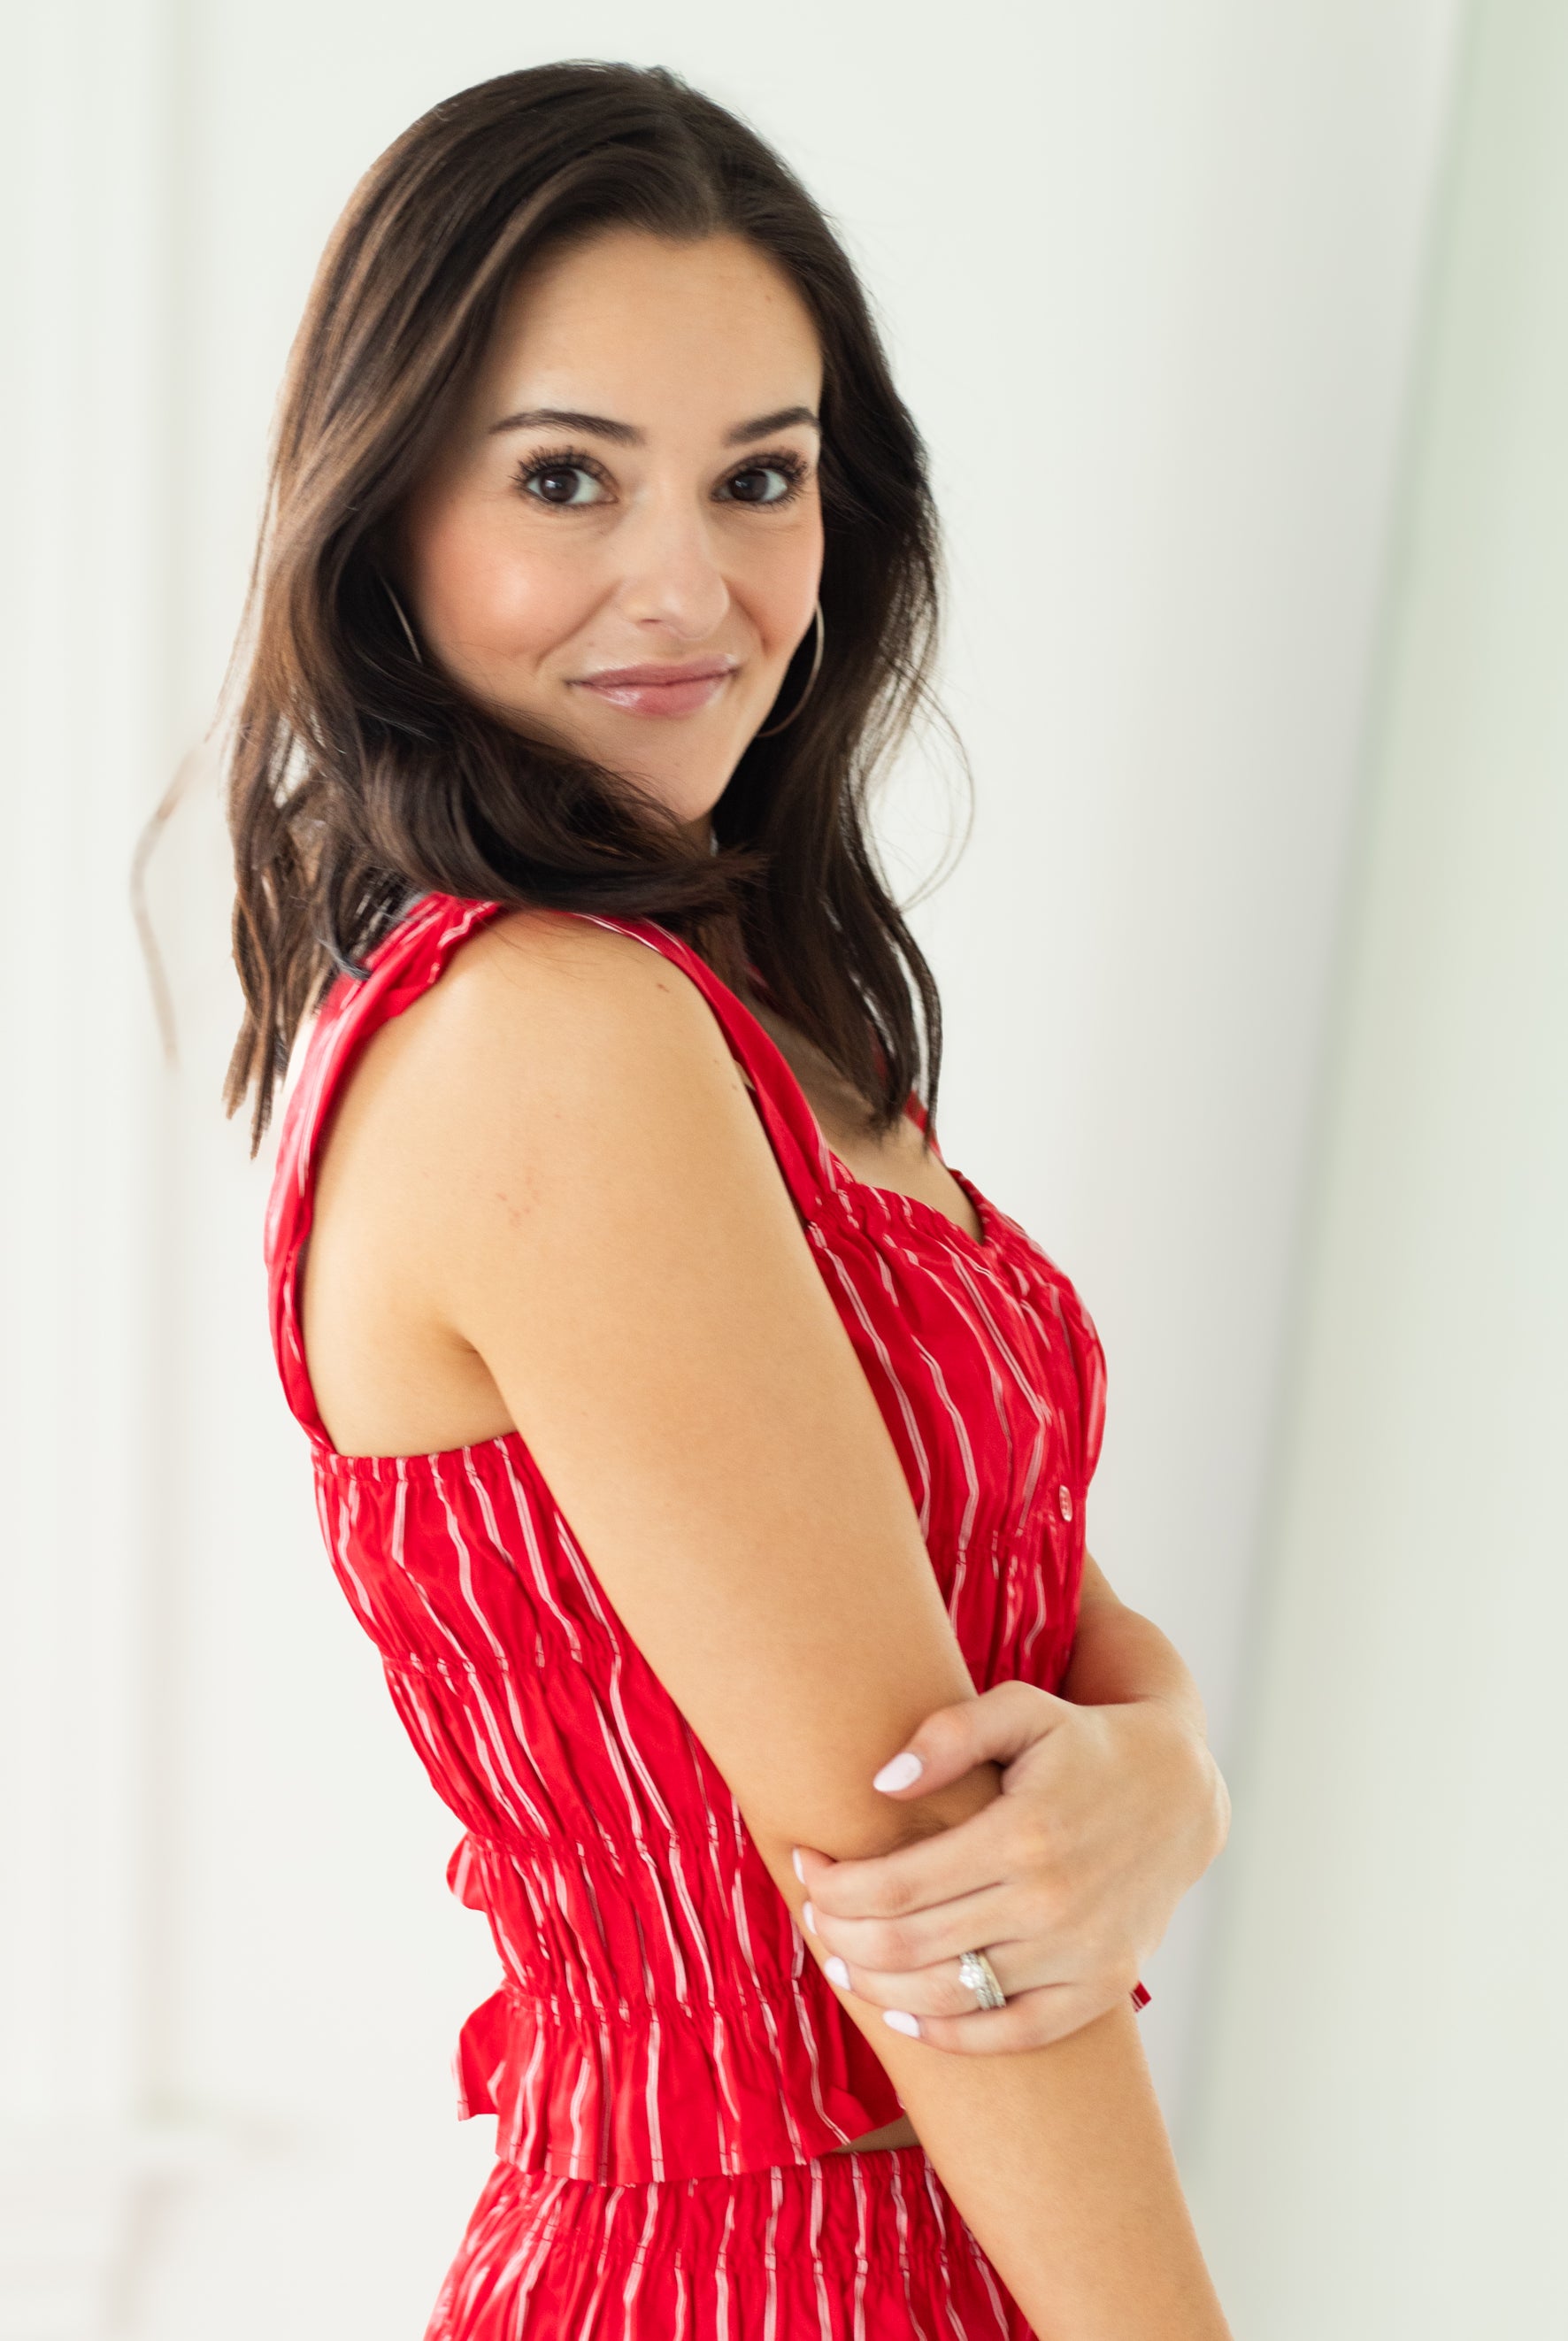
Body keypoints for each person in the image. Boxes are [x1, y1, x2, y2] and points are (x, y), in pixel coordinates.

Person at [227, 61, 1233, 2338]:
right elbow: (922, 1869)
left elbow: (1015, 1610)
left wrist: (1166, 1764)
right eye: (564, 478)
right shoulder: (551, 1038)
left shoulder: (736, 1017)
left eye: (759, 477)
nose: (689, 586)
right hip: (759, 2272)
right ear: (386, 519)